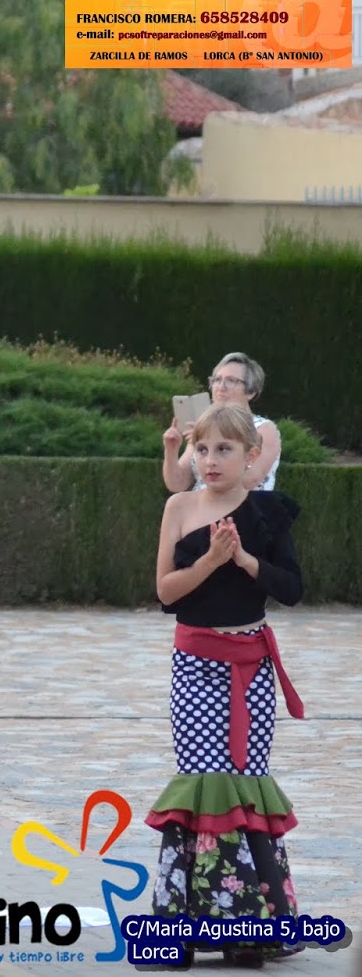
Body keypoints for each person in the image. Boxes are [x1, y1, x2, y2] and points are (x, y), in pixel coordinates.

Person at [150, 402, 305, 967]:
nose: (210, 460)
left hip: (252, 665)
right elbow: (166, 592)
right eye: (202, 449)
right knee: (205, 780)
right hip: (196, 664)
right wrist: (211, 561)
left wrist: (244, 559)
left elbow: (292, 589)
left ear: (251, 457)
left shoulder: (267, 514)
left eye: (224, 450)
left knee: (245, 781)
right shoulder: (179, 506)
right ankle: (187, 925)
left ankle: (254, 925)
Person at [163, 352, 282, 493]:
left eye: (231, 381)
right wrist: (171, 449)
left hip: (243, 506)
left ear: (251, 392)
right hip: (199, 505)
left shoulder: (264, 429)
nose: (221, 386)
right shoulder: (204, 427)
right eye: (217, 380)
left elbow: (250, 479)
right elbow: (177, 484)